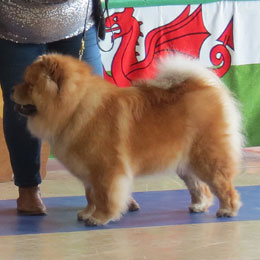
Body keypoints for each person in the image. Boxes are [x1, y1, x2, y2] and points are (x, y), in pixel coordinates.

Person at [0, 0, 105, 215]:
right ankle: (28, 188)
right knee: (22, 108)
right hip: (14, 30)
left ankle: (106, 186)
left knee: (97, 108)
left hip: (77, 23)